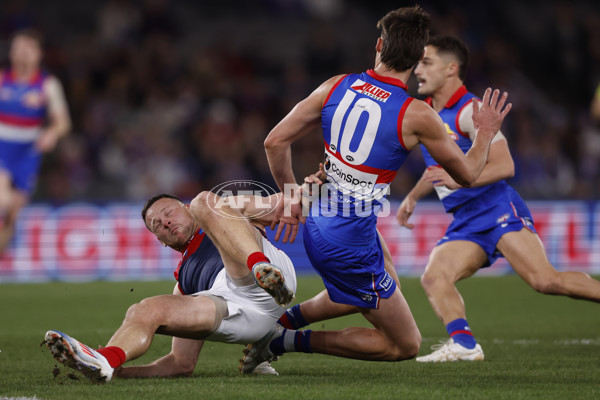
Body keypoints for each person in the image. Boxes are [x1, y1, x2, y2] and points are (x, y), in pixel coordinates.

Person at [240, 6, 511, 372]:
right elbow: (466, 174)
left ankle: (283, 324)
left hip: (323, 214)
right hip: (347, 238)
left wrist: (291, 196)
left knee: (382, 285)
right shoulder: (417, 114)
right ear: (417, 60)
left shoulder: (335, 85)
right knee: (404, 344)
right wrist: (486, 133)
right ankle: (280, 339)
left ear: (379, 44)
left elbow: (274, 142)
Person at [393, 35, 600, 362]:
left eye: (427, 62)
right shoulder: (430, 113)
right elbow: (440, 168)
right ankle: (463, 344)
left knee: (545, 281)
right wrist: (414, 197)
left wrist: (459, 183)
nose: (418, 69)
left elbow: (505, 165)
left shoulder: (470, 110)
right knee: (435, 277)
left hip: (497, 209)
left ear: (451, 69)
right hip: (466, 220)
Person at [44, 189, 297, 382]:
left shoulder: (221, 210)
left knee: (206, 202)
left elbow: (287, 202)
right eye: (157, 225)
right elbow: (181, 363)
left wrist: (312, 189)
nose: (165, 222)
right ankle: (106, 361)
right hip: (242, 317)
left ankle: (260, 266)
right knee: (144, 309)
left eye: (168, 213)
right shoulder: (184, 282)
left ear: (185, 209)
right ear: (161, 241)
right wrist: (125, 373)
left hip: (259, 276)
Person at [0, 29, 71, 255]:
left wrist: (51, 133)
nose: (22, 53)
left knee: (13, 213)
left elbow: (63, 123)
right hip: (2, 147)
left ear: (39, 54)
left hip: (28, 153)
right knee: (2, 198)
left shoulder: (47, 85)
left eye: (28, 48)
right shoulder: (2, 81)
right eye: (18, 48)